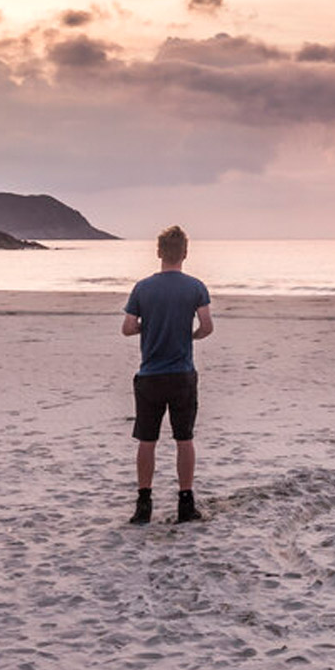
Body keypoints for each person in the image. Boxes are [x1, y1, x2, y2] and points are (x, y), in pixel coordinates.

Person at [120, 224, 213, 524]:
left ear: (159, 252)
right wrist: (190, 336)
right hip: (182, 373)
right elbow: (207, 327)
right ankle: (185, 503)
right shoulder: (195, 287)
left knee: (147, 440)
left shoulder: (143, 288)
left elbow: (127, 328)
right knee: (184, 439)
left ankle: (143, 504)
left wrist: (149, 327)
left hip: (150, 375)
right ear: (185, 253)